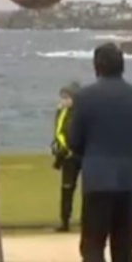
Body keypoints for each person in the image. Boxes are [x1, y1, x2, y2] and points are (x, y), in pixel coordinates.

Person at [66, 44, 132, 262]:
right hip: (130, 182)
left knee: (92, 246)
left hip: (98, 182)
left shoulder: (84, 97)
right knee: (124, 249)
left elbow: (74, 141)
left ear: (97, 66)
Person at [51, 82, 82, 232]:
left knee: (86, 190)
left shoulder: (80, 113)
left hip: (79, 155)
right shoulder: (61, 112)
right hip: (67, 157)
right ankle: (65, 221)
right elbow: (58, 133)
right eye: (62, 97)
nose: (63, 101)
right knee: (66, 189)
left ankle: (85, 220)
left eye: (66, 97)